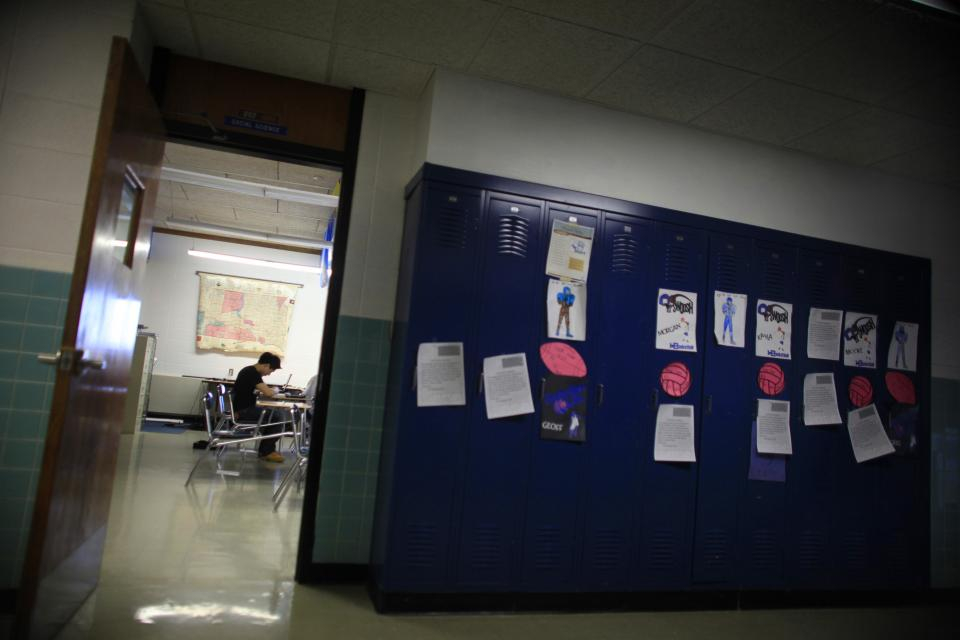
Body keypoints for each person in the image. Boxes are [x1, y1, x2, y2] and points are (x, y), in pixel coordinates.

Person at [233, 352, 284, 462]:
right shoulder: (252, 373)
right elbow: (268, 393)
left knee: (272, 416)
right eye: (271, 370)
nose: (269, 374)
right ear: (266, 365)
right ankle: (267, 451)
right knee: (278, 416)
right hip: (244, 410)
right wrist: (275, 390)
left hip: (242, 408)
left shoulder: (249, 371)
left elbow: (259, 389)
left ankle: (266, 450)